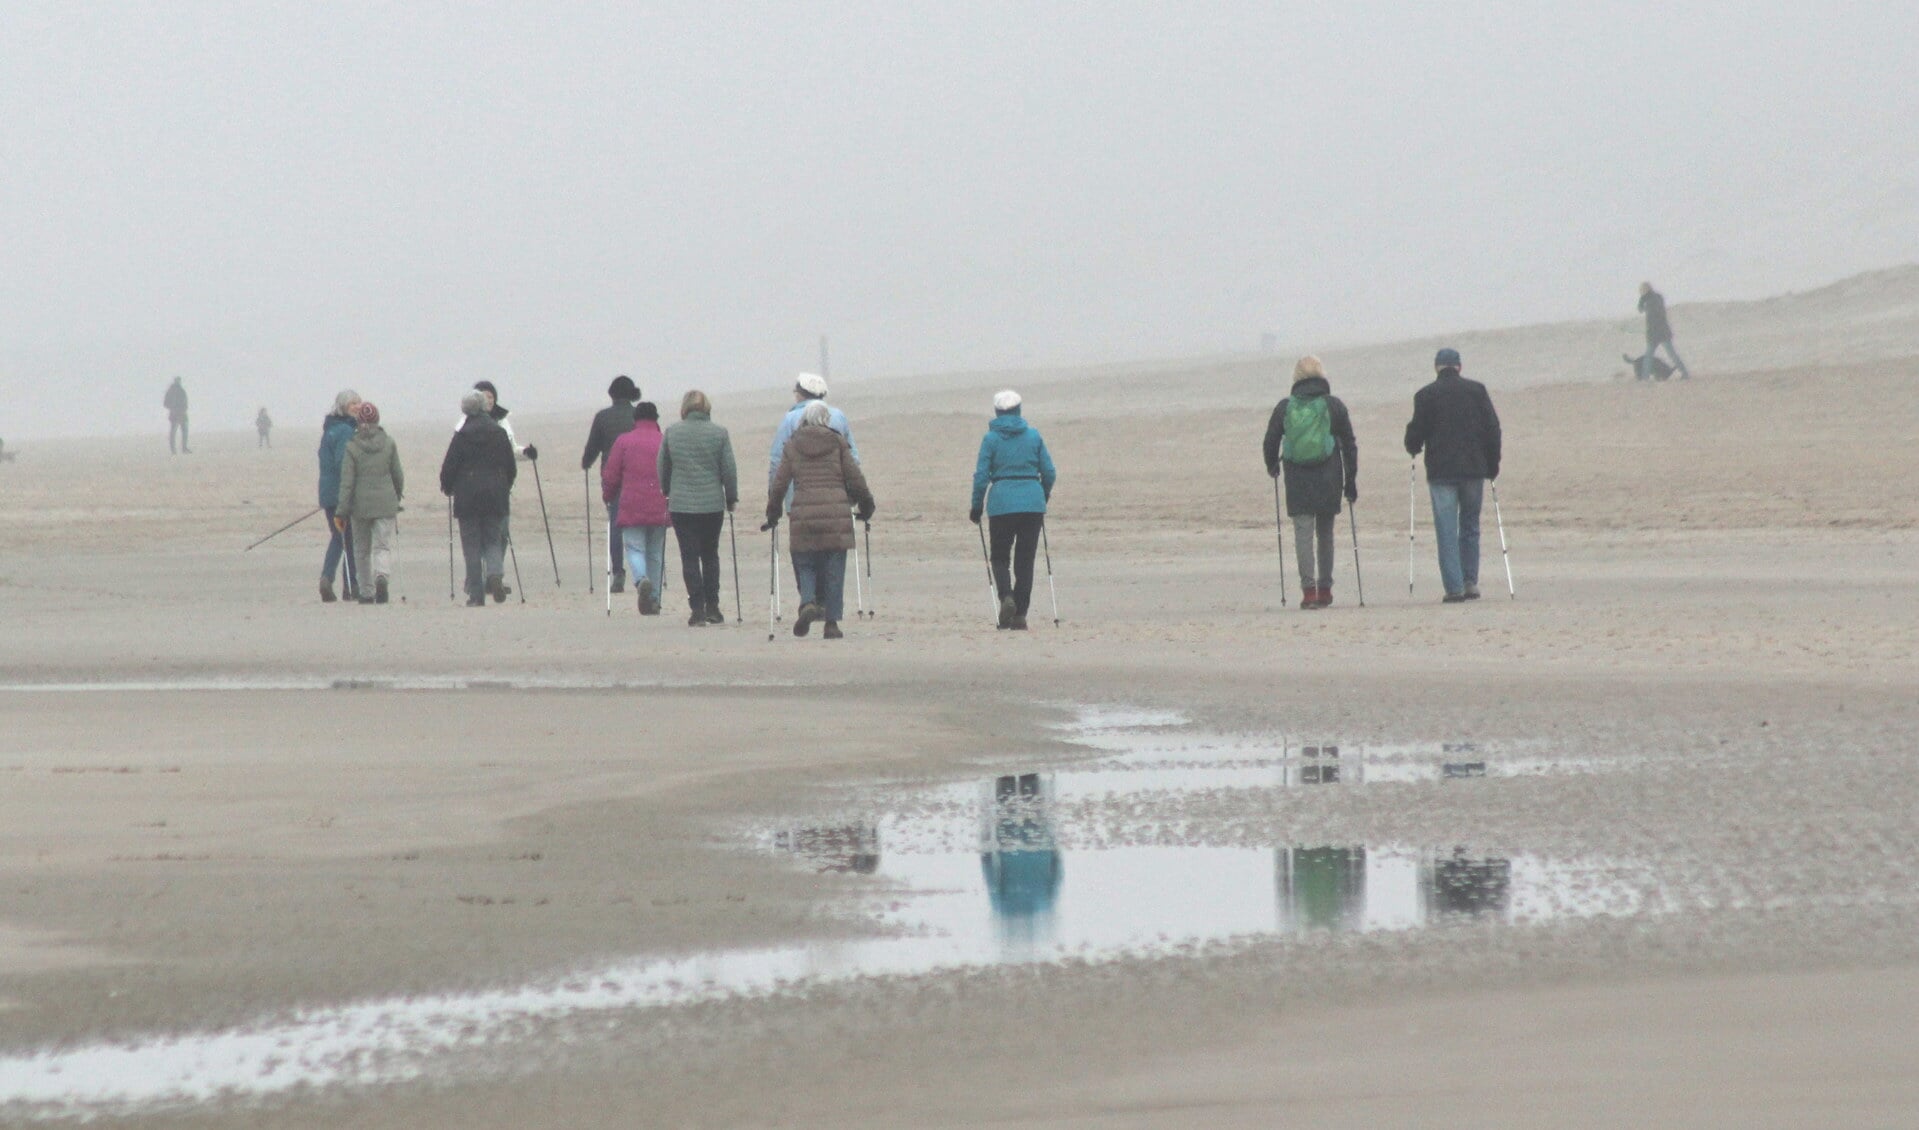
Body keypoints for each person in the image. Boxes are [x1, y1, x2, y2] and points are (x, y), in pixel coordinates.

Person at [765, 400, 875, 639]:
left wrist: (773, 511)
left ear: (804, 420)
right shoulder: (837, 442)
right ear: (826, 420)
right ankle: (831, 623)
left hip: (803, 513)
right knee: (834, 567)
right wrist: (866, 504)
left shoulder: (793, 444)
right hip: (836, 514)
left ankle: (807, 603)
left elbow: (780, 482)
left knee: (805, 563)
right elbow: (855, 477)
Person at [1404, 348, 1502, 603]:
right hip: (1473, 469)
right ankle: (1470, 581)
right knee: (1470, 525)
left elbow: (1415, 434)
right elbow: (1493, 429)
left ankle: (1454, 587)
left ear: (1436, 367)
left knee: (1446, 529)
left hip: (1441, 472)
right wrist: (1493, 464)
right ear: (1459, 367)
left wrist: (1412, 446)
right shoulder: (1477, 391)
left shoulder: (1425, 395)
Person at [1262, 355, 1359, 609]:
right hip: (1329, 476)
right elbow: (1349, 444)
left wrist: (1272, 466)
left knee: (1303, 534)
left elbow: (1269, 442)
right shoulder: (1334, 405)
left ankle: (1309, 592)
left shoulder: (1285, 407)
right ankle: (1325, 588)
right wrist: (1351, 481)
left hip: (1297, 478)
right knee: (1325, 533)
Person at [970, 390, 1056, 630]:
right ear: (1019, 409)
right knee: (1025, 561)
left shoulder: (991, 440)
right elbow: (1049, 472)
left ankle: (1006, 596)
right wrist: (1043, 495)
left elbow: (980, 477)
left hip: (1001, 505)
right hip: (1032, 504)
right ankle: (1020, 614)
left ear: (997, 412)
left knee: (999, 557)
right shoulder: (1034, 436)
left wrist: (976, 507)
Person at [658, 390, 738, 627]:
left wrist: (666, 490)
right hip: (712, 505)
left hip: (682, 505)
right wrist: (731, 497)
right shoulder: (719, 433)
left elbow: (662, 465)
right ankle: (713, 606)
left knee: (689, 556)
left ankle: (697, 608)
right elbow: (729, 470)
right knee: (710, 554)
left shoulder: (672, 432)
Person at [440, 390, 517, 606]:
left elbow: (449, 467)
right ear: (484, 407)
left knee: (471, 545)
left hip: (467, 497)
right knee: (493, 539)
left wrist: (447, 487)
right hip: (495, 494)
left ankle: (476, 595)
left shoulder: (462, 435)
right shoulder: (499, 433)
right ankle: (495, 574)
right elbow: (511, 466)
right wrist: (505, 486)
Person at [602, 401, 670, 614]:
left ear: (636, 420)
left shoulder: (624, 441)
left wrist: (608, 496)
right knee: (656, 553)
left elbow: (611, 474)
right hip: (660, 503)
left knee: (634, 548)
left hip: (631, 503)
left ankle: (641, 580)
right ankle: (655, 600)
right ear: (656, 418)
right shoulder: (664, 440)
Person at [335, 402, 404, 605]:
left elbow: (347, 482)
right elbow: (398, 475)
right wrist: (396, 497)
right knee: (382, 546)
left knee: (361, 550)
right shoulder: (389, 443)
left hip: (360, 506)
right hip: (385, 503)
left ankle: (366, 591)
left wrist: (341, 510)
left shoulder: (352, 447)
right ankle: (382, 576)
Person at [581, 375, 640, 592]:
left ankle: (618, 572)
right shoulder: (638, 415)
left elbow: (592, 448)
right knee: (637, 525)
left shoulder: (603, 417)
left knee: (616, 524)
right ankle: (641, 572)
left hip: (612, 478)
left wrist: (586, 463)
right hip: (638, 477)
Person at [768, 373, 858, 508]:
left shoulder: (789, 419)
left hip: (798, 499)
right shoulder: (839, 416)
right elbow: (853, 458)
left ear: (800, 394)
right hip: (837, 496)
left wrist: (774, 497)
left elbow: (777, 460)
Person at [316, 390, 362, 602]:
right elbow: (343, 463)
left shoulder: (330, 430)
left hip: (327, 492)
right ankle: (351, 586)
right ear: (343, 407)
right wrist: (349, 491)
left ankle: (327, 577)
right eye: (353, 403)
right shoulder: (344, 430)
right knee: (348, 540)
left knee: (338, 537)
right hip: (340, 493)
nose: (357, 406)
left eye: (359, 402)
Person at [1637, 282, 1691, 380]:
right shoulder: (1656, 298)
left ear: (1645, 290)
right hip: (1661, 332)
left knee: (1651, 357)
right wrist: (1642, 301)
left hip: (1658, 333)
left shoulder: (1652, 300)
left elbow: (1646, 311)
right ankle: (1684, 372)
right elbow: (1641, 310)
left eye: (1642, 291)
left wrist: (1643, 301)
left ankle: (1645, 377)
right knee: (1667, 355)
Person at [163, 377, 190, 454]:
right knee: (173, 432)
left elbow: (185, 402)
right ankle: (173, 450)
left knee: (185, 431)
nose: (178, 382)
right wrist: (173, 408)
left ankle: (184, 448)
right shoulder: (171, 391)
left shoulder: (182, 390)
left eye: (179, 380)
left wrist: (184, 408)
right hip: (174, 415)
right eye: (177, 380)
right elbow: (165, 403)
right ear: (175, 381)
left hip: (182, 414)